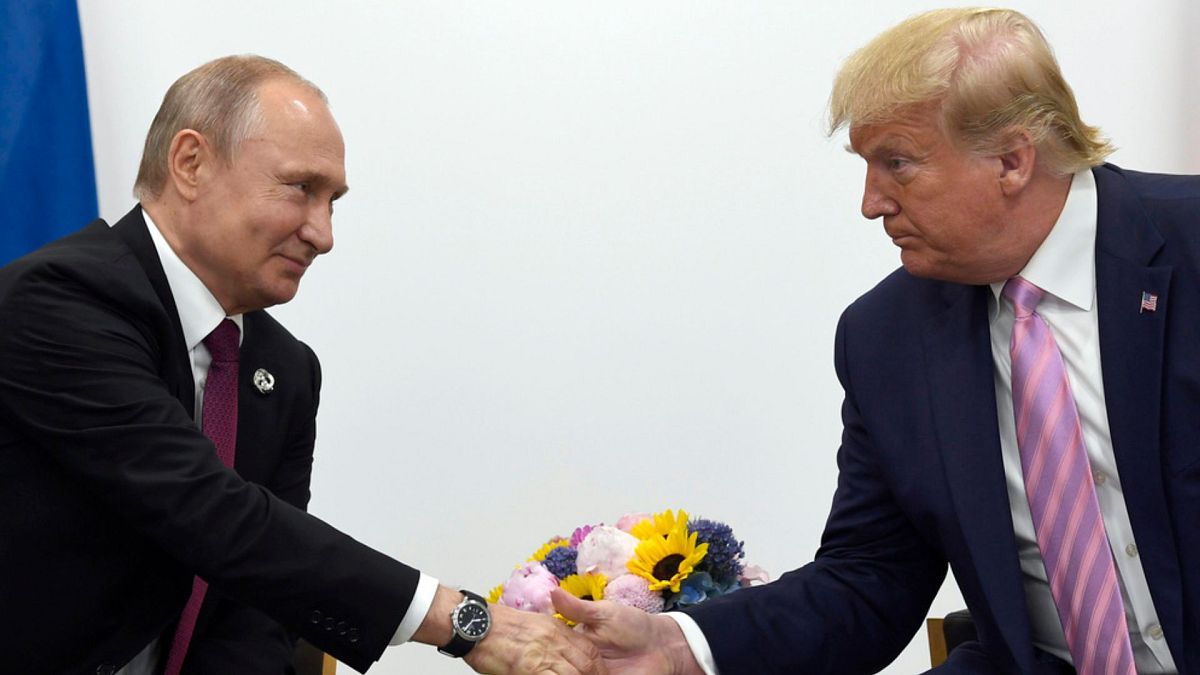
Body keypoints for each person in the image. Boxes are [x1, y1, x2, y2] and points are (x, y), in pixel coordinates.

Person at [555, 7, 1198, 674]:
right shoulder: (886, 338)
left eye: (898, 163)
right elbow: (869, 579)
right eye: (867, 165)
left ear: (1012, 159)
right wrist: (678, 642)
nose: (871, 202)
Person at [0, 55, 603, 675]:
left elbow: (256, 603)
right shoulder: (57, 300)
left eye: (333, 201)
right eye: (301, 188)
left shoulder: (282, 368)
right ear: (191, 163)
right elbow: (208, 510)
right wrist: (459, 621)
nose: (323, 233)